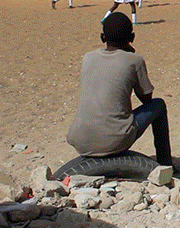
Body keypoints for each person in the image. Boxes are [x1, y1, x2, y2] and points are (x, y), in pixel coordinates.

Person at [67, 12, 171, 167]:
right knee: (159, 105)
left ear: (103, 38)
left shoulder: (88, 58)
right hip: (115, 140)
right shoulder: (135, 60)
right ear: (132, 38)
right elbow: (146, 99)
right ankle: (165, 163)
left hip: (80, 141)